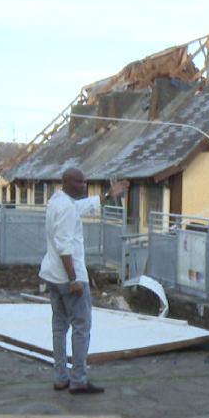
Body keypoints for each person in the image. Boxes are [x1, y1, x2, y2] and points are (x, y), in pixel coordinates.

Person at [39, 168, 128, 394]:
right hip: (69, 276)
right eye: (79, 182)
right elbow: (64, 247)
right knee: (82, 327)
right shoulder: (67, 208)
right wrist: (74, 280)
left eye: (85, 181)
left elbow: (82, 207)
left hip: (51, 274)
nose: (84, 185)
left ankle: (61, 377)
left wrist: (107, 195)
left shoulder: (57, 201)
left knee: (59, 327)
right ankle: (78, 379)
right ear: (67, 182)